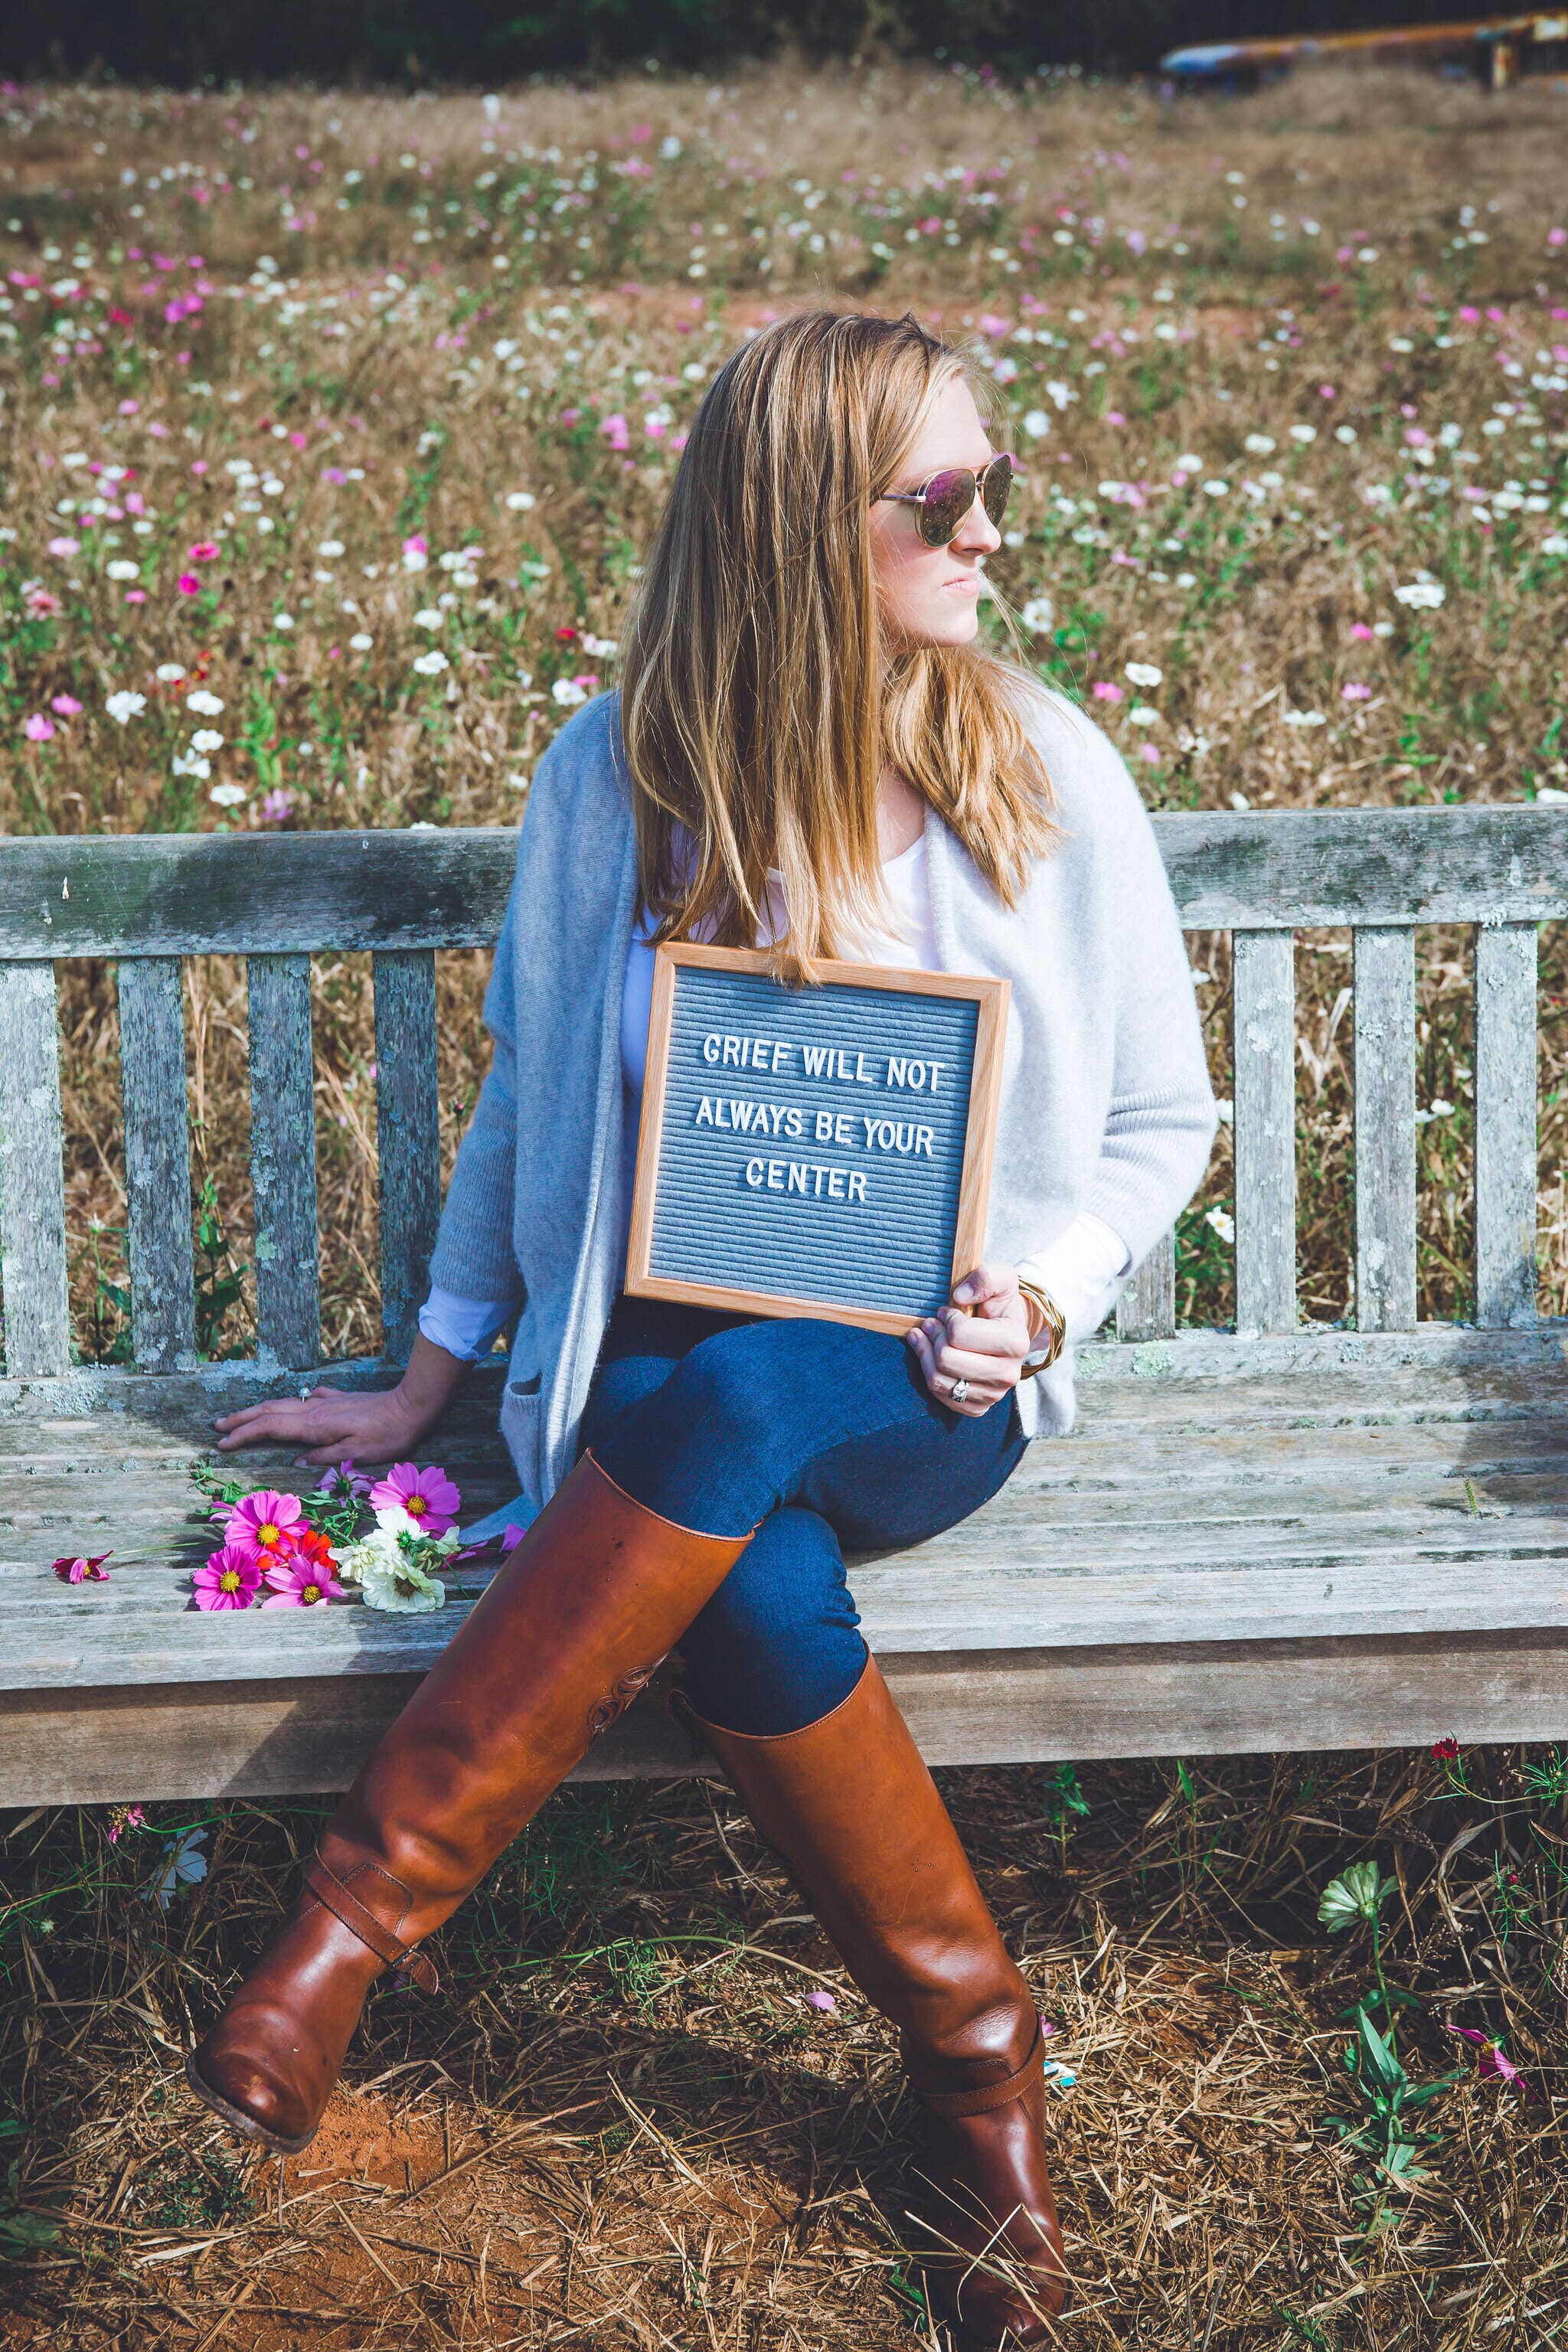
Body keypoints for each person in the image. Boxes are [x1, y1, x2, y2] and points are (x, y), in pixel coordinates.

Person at [187, 309, 1215, 2346]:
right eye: (948, 497)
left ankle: (347, 1930)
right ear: (797, 527)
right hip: (658, 1362)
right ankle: (976, 2073)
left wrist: (1049, 1288)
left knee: (749, 1404)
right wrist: (434, 1371)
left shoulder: (1045, 768)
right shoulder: (621, 780)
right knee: (743, 1556)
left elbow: (1161, 1122)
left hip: (929, 1370)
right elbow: (532, 1086)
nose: (995, 532)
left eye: (1003, 489)